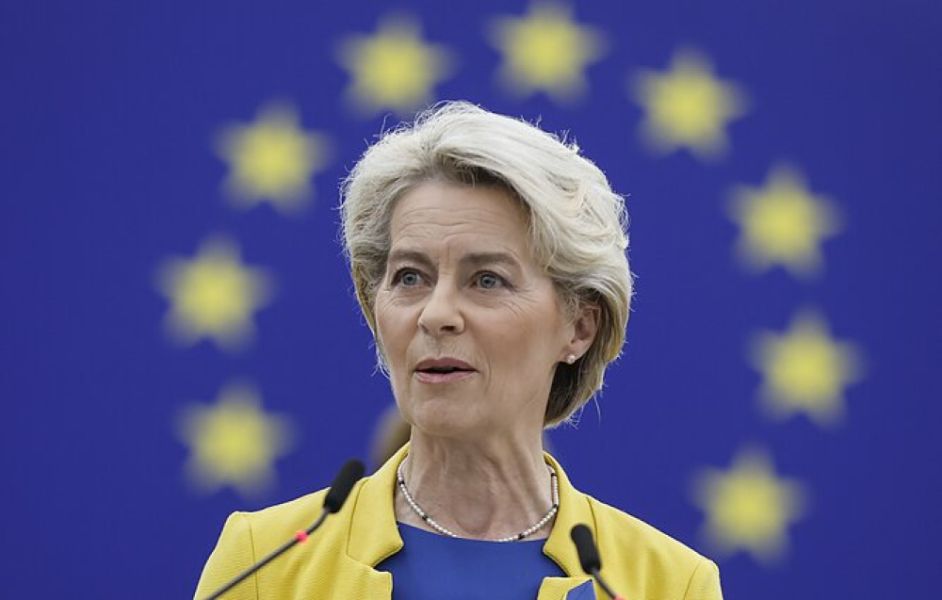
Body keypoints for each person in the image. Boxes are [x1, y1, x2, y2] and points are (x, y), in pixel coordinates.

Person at [194, 102, 723, 600]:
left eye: (487, 279)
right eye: (410, 277)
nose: (436, 314)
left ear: (579, 327)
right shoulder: (265, 564)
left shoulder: (667, 584)